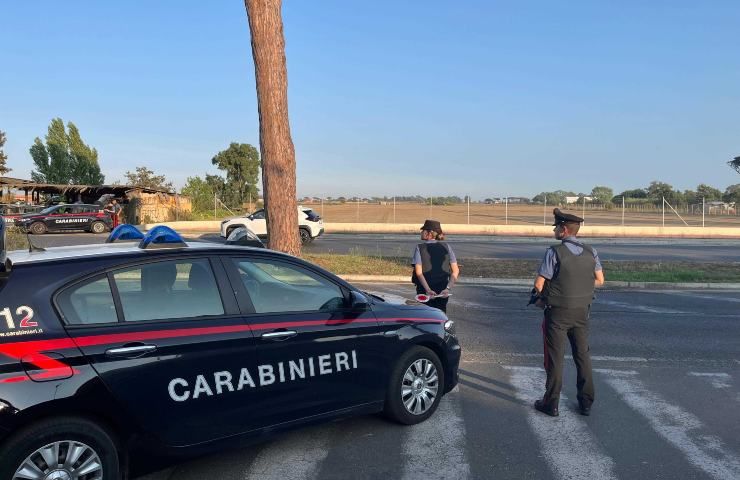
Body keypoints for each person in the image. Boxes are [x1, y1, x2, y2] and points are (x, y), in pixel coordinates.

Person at [532, 208, 605, 417]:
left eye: (556, 227)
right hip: (582, 312)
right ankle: (586, 403)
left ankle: (551, 403)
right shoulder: (592, 251)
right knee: (582, 356)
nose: (555, 230)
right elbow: (600, 280)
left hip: (557, 314)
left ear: (564, 230)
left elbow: (539, 284)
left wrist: (544, 296)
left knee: (556, 359)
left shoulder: (554, 252)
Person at [411, 219, 459, 312]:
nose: (421, 232)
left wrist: (428, 290)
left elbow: (419, 272)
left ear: (429, 233)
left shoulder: (420, 248)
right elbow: (455, 270)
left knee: (425, 317)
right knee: (440, 316)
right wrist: (447, 288)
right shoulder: (447, 246)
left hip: (425, 292)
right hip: (443, 291)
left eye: (423, 230)